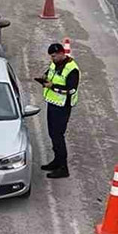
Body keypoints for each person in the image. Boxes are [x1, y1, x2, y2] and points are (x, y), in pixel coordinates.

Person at [33, 43, 79, 178]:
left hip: (63, 106)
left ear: (61, 53)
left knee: (58, 136)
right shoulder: (55, 63)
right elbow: (51, 72)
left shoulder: (72, 69)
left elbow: (71, 90)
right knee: (52, 134)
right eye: (51, 57)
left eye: (54, 56)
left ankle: (63, 167)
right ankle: (56, 161)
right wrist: (44, 76)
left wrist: (52, 86)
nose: (52, 59)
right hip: (53, 103)